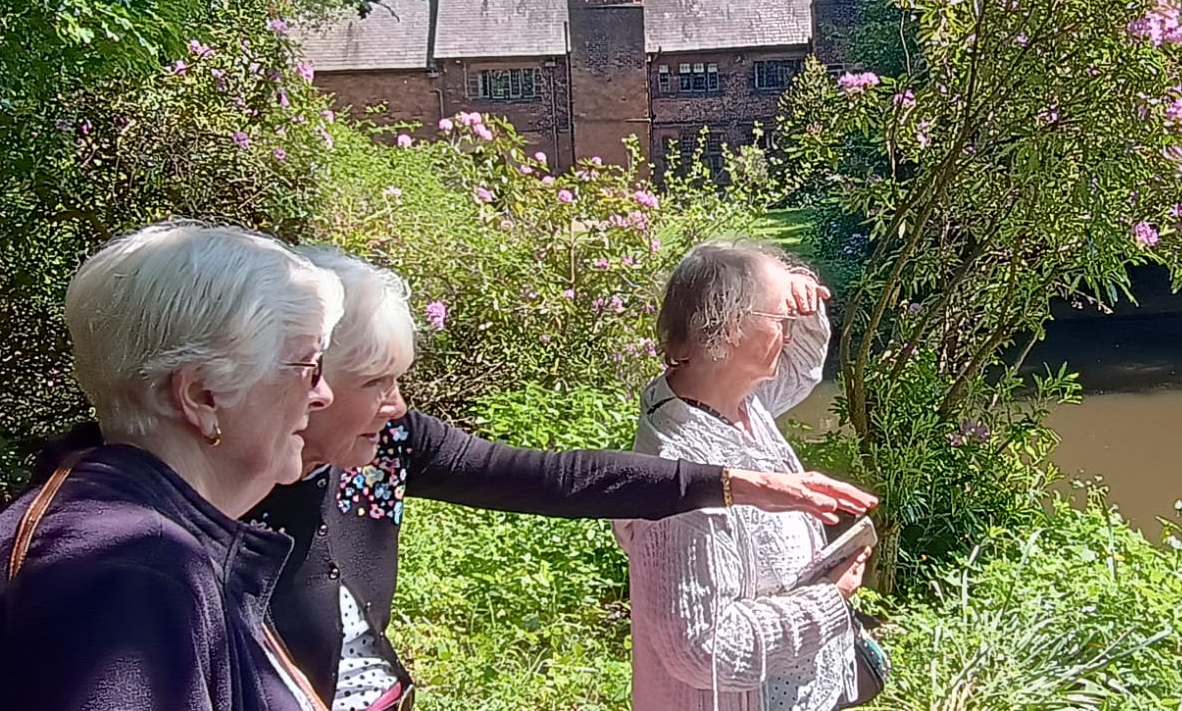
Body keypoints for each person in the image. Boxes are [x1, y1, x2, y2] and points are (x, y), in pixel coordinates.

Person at [244, 245, 879, 711]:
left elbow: (553, 479)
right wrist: (820, 595)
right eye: (376, 382)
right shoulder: (224, 502)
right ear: (306, 381)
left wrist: (731, 484)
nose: (397, 404)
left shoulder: (392, 442)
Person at [0, 221, 346, 711]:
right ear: (202, 396)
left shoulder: (121, 534)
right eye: (310, 367)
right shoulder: (133, 574)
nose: (323, 395)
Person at [615, 242, 870, 711]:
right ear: (732, 328)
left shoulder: (731, 402)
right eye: (782, 320)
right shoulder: (681, 478)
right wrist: (829, 600)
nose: (789, 334)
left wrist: (797, 294)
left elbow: (800, 369)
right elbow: (702, 649)